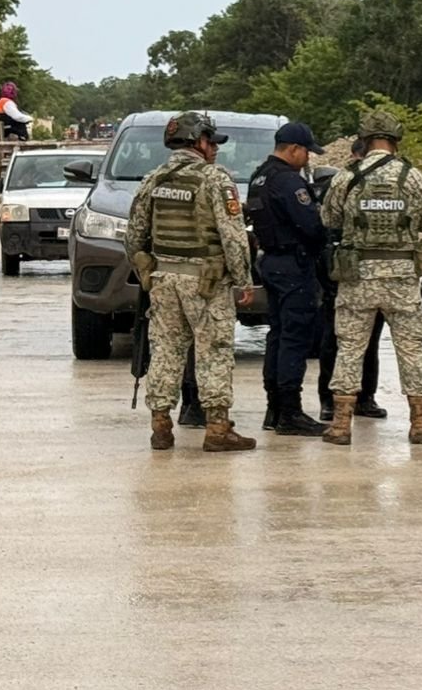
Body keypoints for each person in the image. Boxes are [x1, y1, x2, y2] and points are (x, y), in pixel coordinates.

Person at [124, 111, 256, 452]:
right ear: (198, 141)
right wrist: (244, 280)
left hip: (164, 280)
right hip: (206, 284)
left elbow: (134, 235)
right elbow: (233, 236)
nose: (215, 149)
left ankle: (161, 427)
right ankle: (217, 428)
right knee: (214, 351)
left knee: (166, 350)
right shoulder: (216, 180)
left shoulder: (154, 178)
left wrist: (145, 270)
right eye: (211, 142)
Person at [319, 110, 422, 446]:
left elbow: (329, 217)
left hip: (357, 277)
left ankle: (341, 425)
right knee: (413, 350)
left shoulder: (346, 176)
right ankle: (419, 424)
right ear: (395, 138)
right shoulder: (414, 177)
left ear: (364, 139)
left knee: (349, 349)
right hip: (402, 278)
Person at [246, 122, 328, 436]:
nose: (308, 158)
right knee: (295, 338)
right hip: (294, 265)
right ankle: (290, 412)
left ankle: (275, 408)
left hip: (271, 262)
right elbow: (311, 226)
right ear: (293, 148)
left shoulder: (259, 177)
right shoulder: (289, 181)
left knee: (278, 335)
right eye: (306, 151)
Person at [315, 139, 387, 423]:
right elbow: (327, 224)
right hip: (340, 269)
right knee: (334, 339)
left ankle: (365, 397)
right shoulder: (340, 183)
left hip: (372, 273)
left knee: (370, 340)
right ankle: (329, 400)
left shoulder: (383, 185)